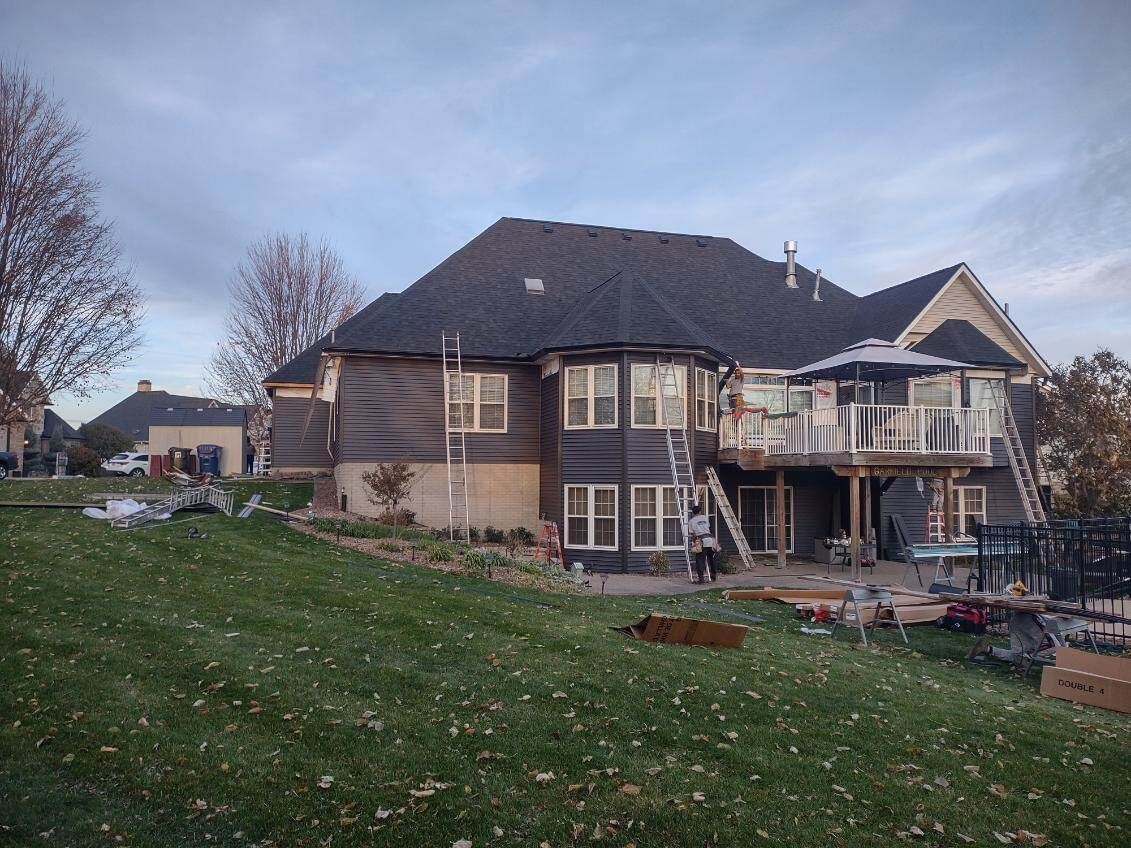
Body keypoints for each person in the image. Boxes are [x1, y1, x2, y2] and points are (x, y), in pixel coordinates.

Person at [688, 503, 716, 583]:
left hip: (701, 541)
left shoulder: (692, 521)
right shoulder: (705, 518)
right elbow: (708, 527)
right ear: (700, 511)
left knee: (700, 559)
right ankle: (713, 576)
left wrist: (694, 543)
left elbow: (692, 533)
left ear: (693, 513)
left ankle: (701, 579)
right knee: (711, 559)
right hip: (710, 540)